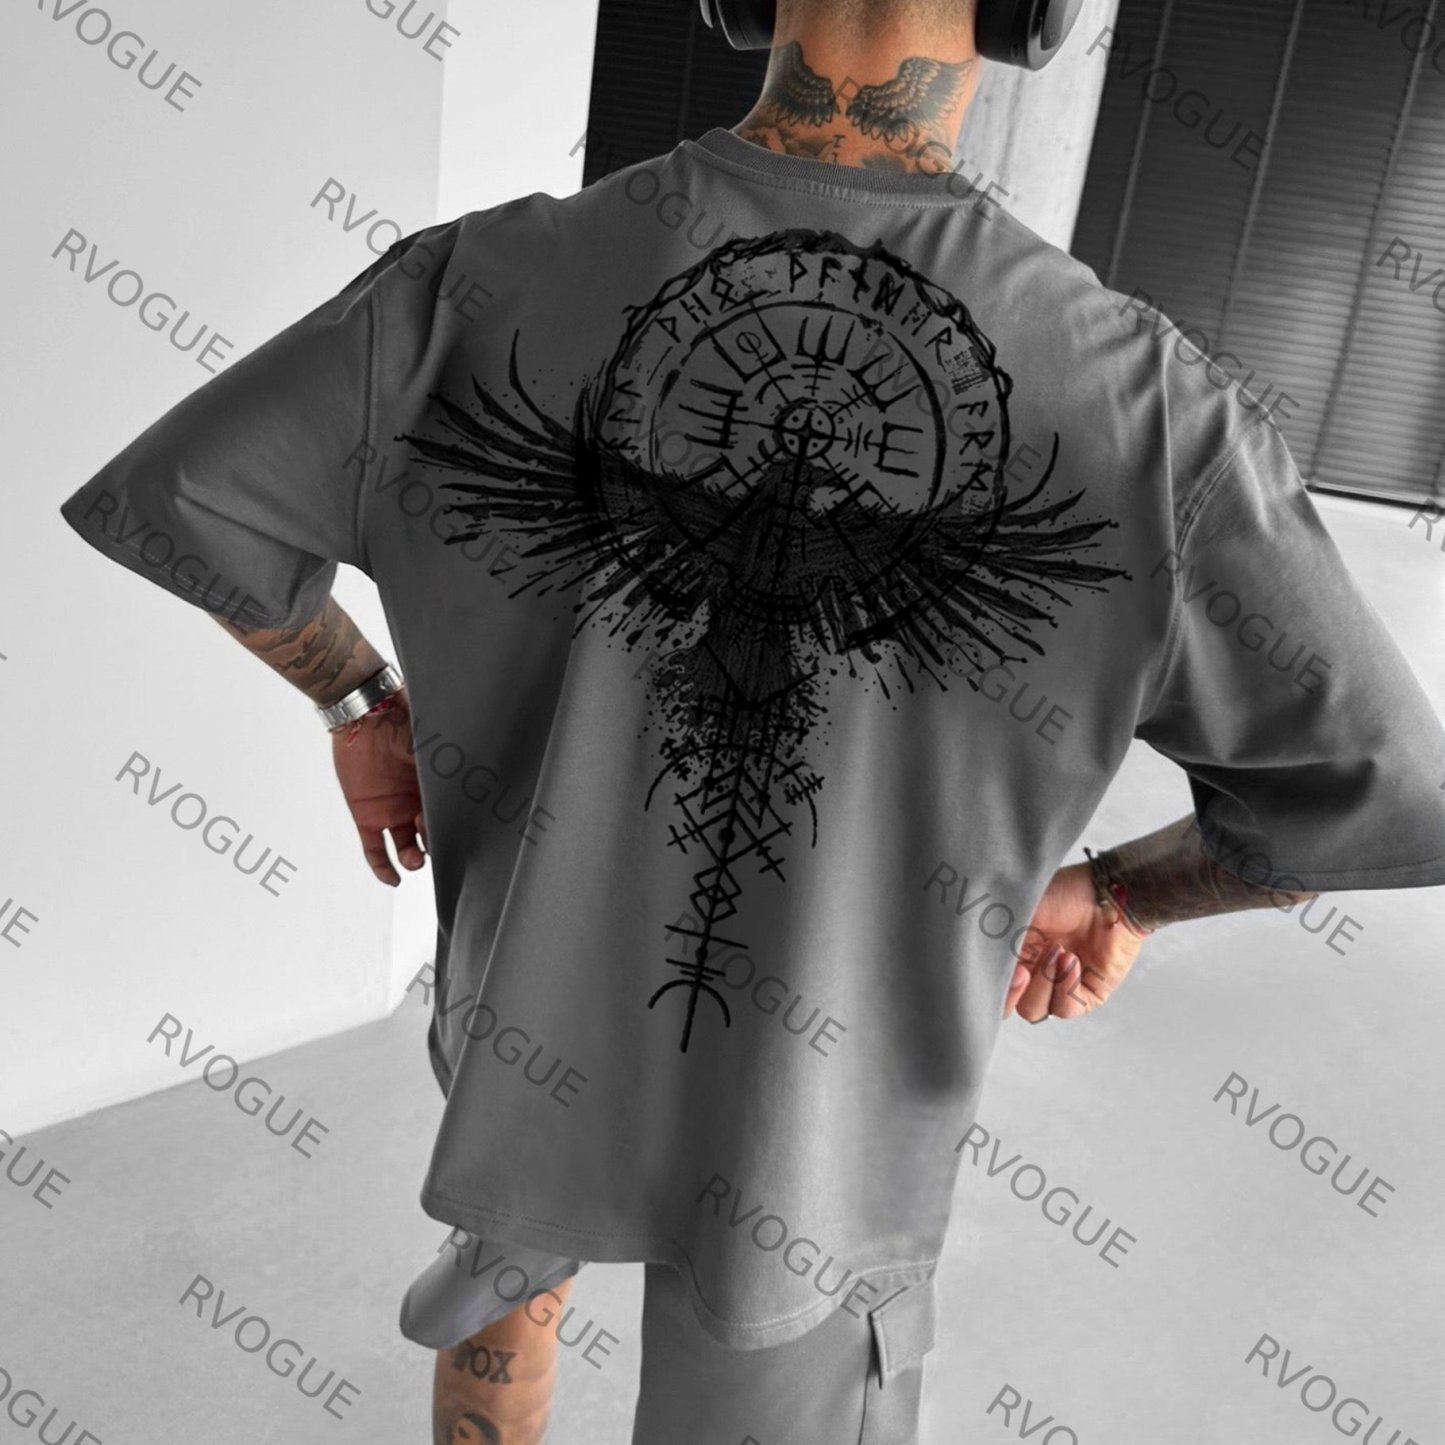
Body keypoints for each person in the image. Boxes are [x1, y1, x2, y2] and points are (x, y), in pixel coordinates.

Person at [57, 0, 1445, 1440]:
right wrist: (1122, 892)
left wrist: (363, 700)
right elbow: (1389, 797)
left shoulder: (478, 279)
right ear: (1033, 18)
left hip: (528, 1007)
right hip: (815, 1124)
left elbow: (183, 503)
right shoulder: (1154, 410)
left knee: (504, 1268)